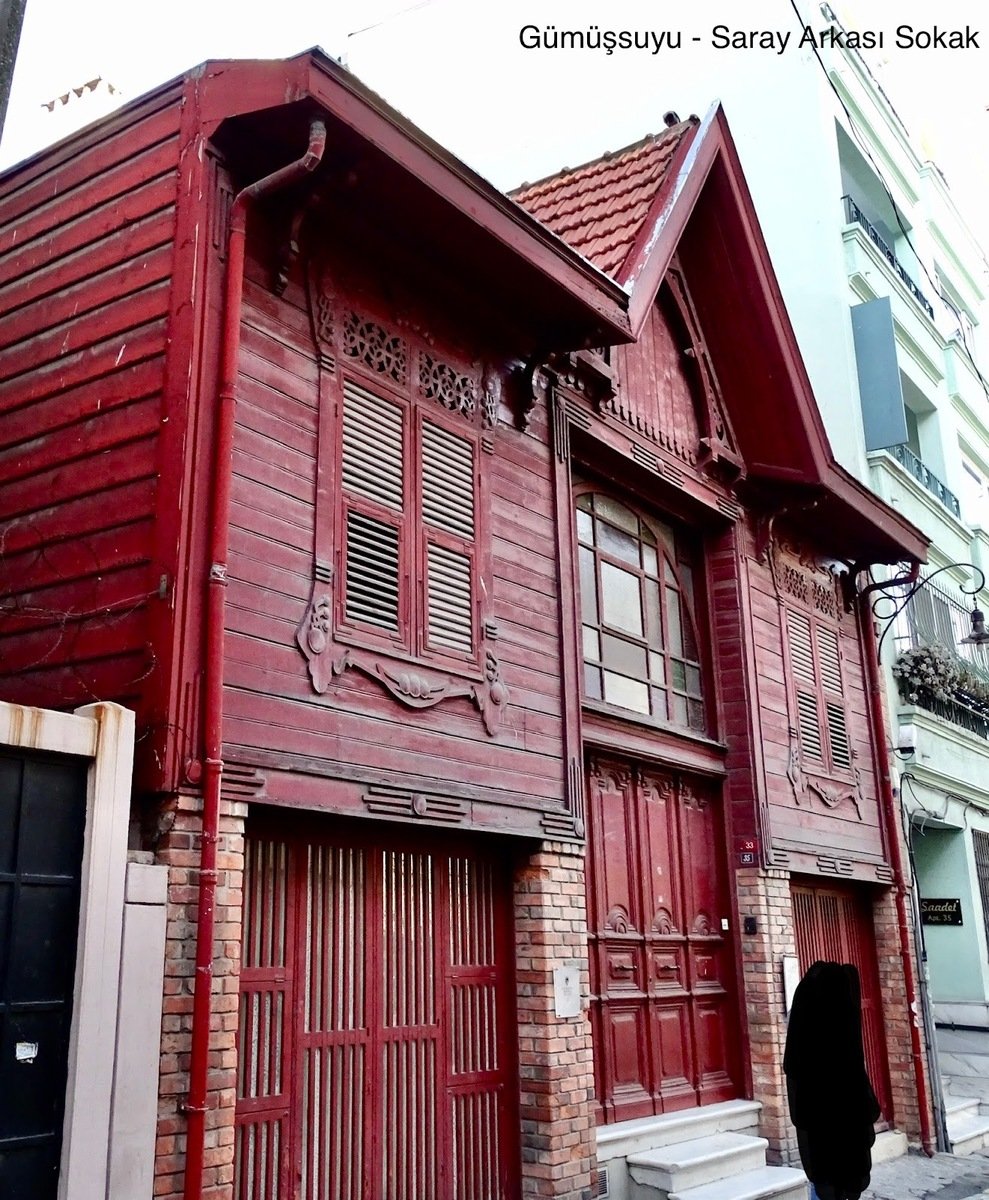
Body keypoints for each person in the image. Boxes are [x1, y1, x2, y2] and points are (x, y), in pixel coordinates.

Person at [783, 961, 882, 1200]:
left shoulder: (808, 1008)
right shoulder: (846, 1045)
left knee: (825, 1178)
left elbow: (793, 1066)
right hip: (844, 1131)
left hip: (820, 1130)